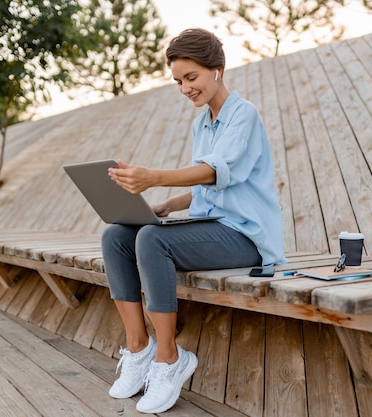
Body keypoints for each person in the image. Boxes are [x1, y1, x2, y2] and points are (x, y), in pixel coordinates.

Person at [101, 28, 285, 414]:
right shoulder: (202, 123)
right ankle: (139, 349)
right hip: (212, 228)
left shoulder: (243, 114)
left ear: (217, 69)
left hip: (247, 238)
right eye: (178, 81)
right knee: (117, 235)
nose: (185, 88)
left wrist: (154, 176)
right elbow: (208, 186)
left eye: (191, 78)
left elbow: (214, 171)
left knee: (152, 240)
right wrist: (168, 202)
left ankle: (169, 359)